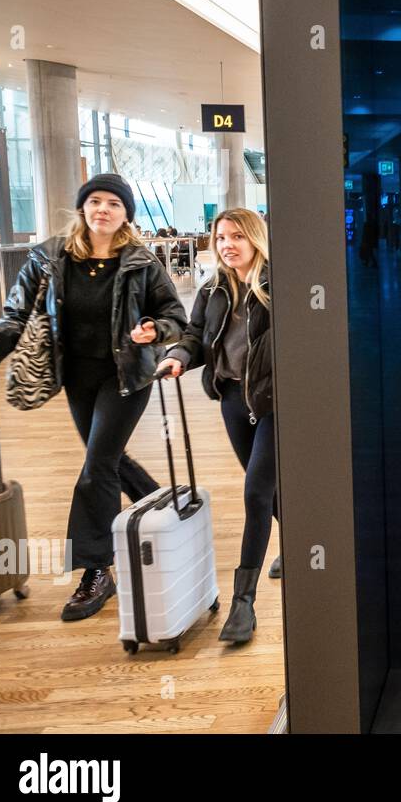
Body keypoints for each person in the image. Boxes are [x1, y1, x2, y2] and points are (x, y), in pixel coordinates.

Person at [0, 174, 186, 621]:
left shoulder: (141, 262)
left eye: (113, 203)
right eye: (94, 201)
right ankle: (160, 502)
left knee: (96, 468)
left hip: (126, 377)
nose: (102, 209)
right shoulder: (50, 257)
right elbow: (16, 312)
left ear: (126, 215)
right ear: (82, 208)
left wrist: (154, 331)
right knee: (103, 457)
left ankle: (95, 570)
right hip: (77, 377)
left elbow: (174, 316)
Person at [157, 208, 276, 644]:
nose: (228, 244)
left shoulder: (274, 285)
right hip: (231, 397)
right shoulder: (213, 290)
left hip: (272, 401)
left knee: (256, 491)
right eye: (221, 237)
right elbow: (194, 336)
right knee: (265, 487)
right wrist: (178, 357)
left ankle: (244, 602)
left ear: (255, 239)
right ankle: (296, 542)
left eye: (237, 236)